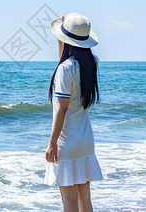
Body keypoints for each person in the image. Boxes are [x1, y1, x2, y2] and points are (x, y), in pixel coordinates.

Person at [45, 13, 104, 212]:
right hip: (86, 140)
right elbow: (65, 60)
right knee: (84, 197)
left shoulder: (65, 69)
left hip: (67, 142)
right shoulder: (90, 64)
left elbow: (61, 108)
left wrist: (52, 142)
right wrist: (60, 40)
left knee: (68, 198)